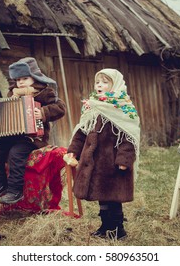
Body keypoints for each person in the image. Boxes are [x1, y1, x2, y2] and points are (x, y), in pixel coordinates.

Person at [66, 69, 140, 240]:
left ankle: (117, 230)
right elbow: (81, 132)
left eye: (105, 82)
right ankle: (105, 227)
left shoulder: (123, 108)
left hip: (113, 164)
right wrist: (73, 151)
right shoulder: (92, 106)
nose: (99, 85)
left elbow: (129, 137)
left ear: (116, 85)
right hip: (95, 163)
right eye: (98, 81)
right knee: (102, 198)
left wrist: (124, 159)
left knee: (113, 198)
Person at [0, 57, 66, 204]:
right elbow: (4, 111)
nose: (20, 82)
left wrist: (43, 112)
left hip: (33, 138)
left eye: (24, 78)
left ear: (34, 77)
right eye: (17, 79)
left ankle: (15, 191)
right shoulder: (13, 93)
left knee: (16, 153)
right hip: (12, 136)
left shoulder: (45, 93)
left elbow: (60, 108)